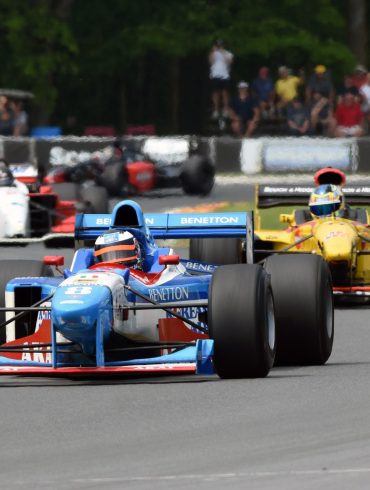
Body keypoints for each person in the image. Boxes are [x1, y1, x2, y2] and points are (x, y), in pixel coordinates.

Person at [209, 39, 233, 119]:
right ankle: (216, 110)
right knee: (215, 93)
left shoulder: (228, 54)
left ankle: (225, 109)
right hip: (215, 75)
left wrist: (222, 52)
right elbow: (211, 62)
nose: (219, 47)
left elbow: (229, 62)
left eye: (221, 45)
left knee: (225, 93)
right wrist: (213, 51)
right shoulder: (213, 54)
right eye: (218, 45)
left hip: (225, 76)